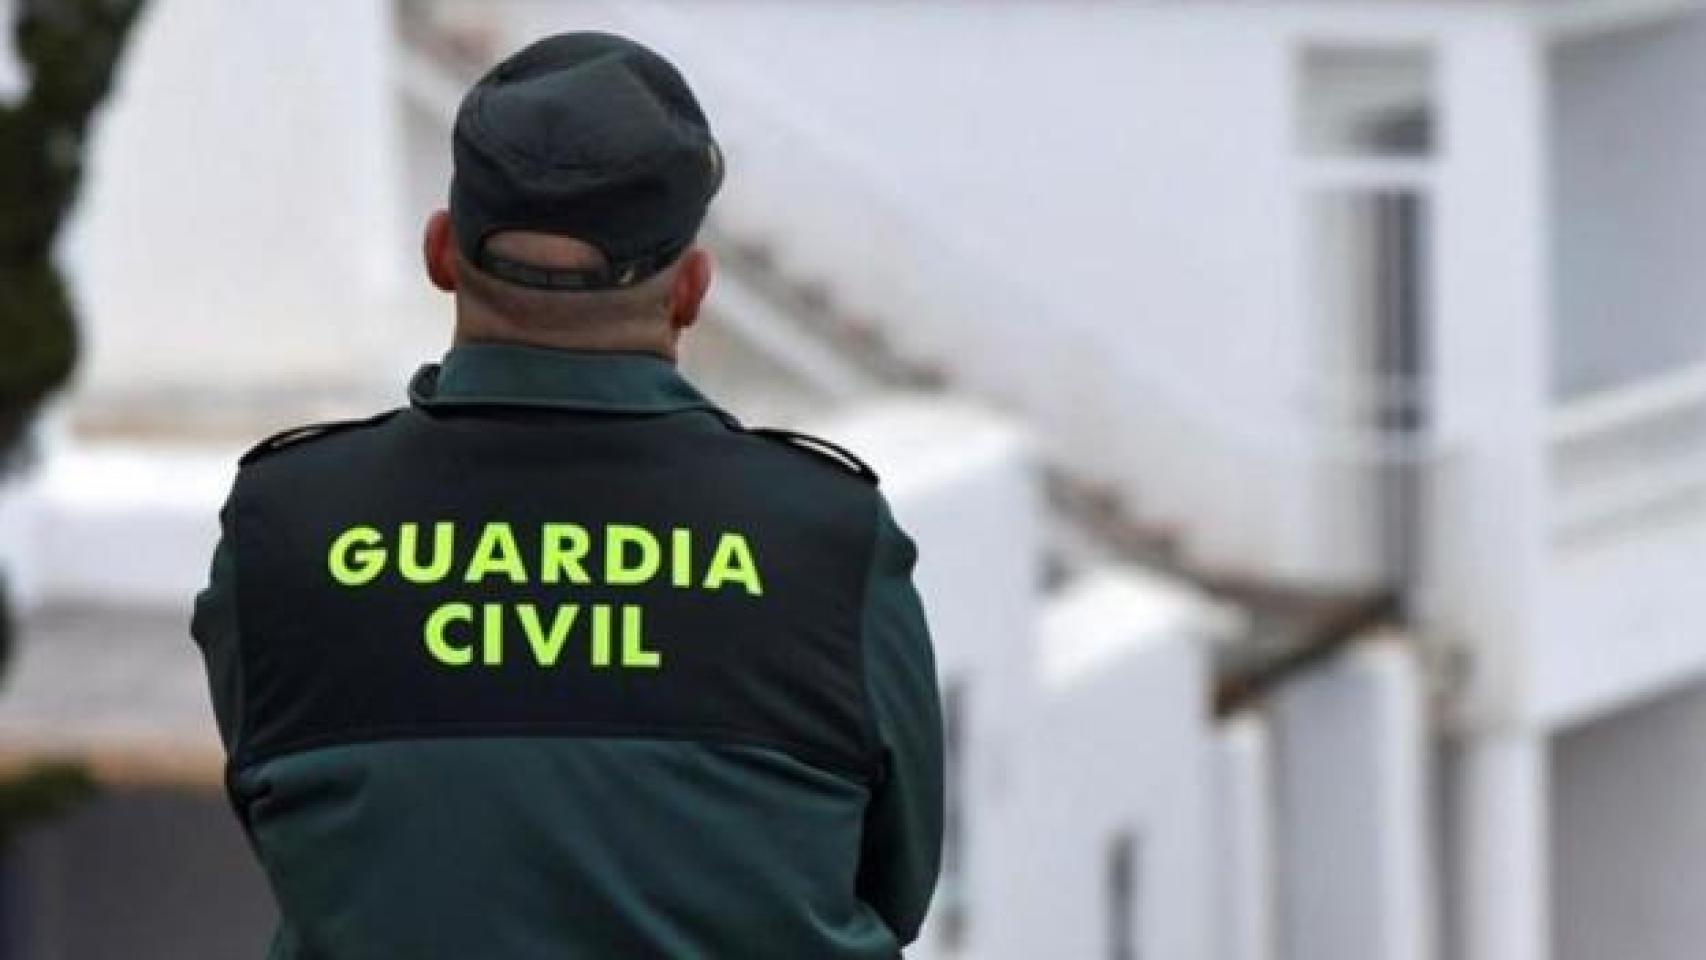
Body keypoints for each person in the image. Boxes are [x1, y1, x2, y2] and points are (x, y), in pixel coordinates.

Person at [191, 31, 943, 959]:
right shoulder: (827, 540)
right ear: (692, 291)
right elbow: (897, 888)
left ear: (440, 252)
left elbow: (315, 837)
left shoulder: (284, 528)